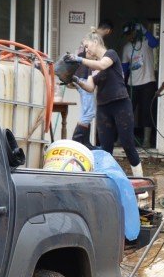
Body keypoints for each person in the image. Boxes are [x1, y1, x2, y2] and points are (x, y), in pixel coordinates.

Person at [67, 31, 143, 177]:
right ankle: (106, 180)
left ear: (95, 42)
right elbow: (89, 87)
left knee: (128, 144)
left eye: (87, 46)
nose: (86, 50)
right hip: (103, 108)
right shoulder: (91, 68)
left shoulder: (111, 54)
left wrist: (79, 60)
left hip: (120, 104)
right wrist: (75, 80)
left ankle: (141, 181)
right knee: (105, 148)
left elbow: (102, 65)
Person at [122, 21, 159, 148]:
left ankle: (146, 140)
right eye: (127, 35)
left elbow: (155, 43)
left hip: (147, 82)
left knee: (146, 112)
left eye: (131, 33)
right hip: (132, 85)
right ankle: (123, 139)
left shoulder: (145, 43)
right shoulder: (126, 48)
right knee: (127, 112)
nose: (129, 36)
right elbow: (124, 68)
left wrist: (144, 31)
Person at [70, 45, 95, 148]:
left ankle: (86, 142)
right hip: (83, 79)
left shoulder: (81, 47)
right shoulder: (90, 45)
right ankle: (76, 141)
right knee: (89, 112)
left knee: (85, 112)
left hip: (79, 78)